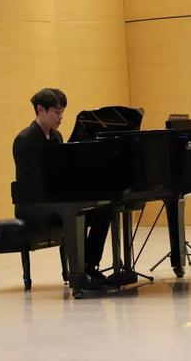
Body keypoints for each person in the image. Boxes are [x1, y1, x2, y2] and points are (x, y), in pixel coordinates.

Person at [12, 88, 112, 289]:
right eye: (57, 112)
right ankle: (78, 275)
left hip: (54, 199)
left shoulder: (56, 136)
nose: (61, 117)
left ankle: (89, 265)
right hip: (33, 204)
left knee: (103, 211)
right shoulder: (25, 140)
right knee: (76, 213)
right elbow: (31, 182)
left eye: (62, 112)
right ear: (40, 109)